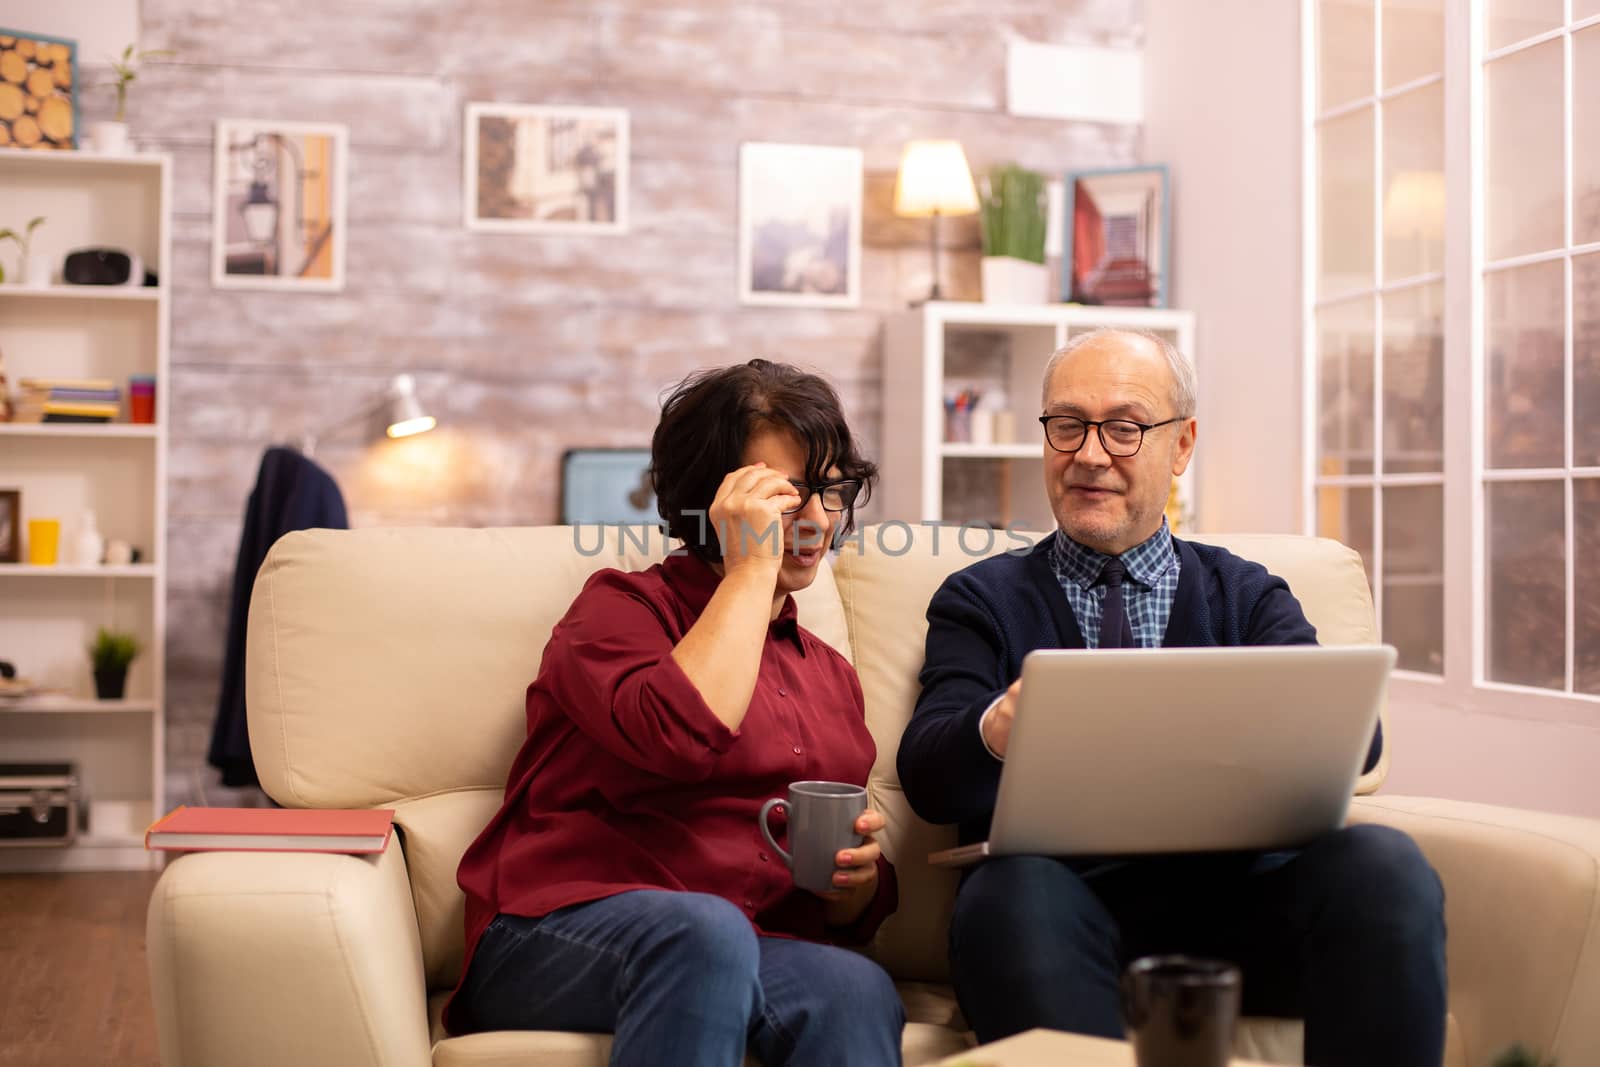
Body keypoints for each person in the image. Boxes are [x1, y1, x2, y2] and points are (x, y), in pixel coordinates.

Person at [896, 328, 1447, 1067]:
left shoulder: (1246, 593)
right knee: (1007, 894)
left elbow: (1359, 741)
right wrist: (996, 724)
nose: (1090, 454)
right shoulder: (980, 599)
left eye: (1124, 427)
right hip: (1053, 915)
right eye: (1067, 424)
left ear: (1181, 445)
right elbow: (930, 772)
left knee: (1383, 861)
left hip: (1242, 913)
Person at [446, 359, 905, 1067]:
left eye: (831, 490)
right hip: (549, 935)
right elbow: (679, 735)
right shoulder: (617, 612)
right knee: (704, 933)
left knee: (855, 987)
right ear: (713, 504)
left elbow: (829, 903)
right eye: (785, 497)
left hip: (740, 942)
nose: (816, 520)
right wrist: (750, 567)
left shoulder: (830, 675)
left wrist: (857, 885)